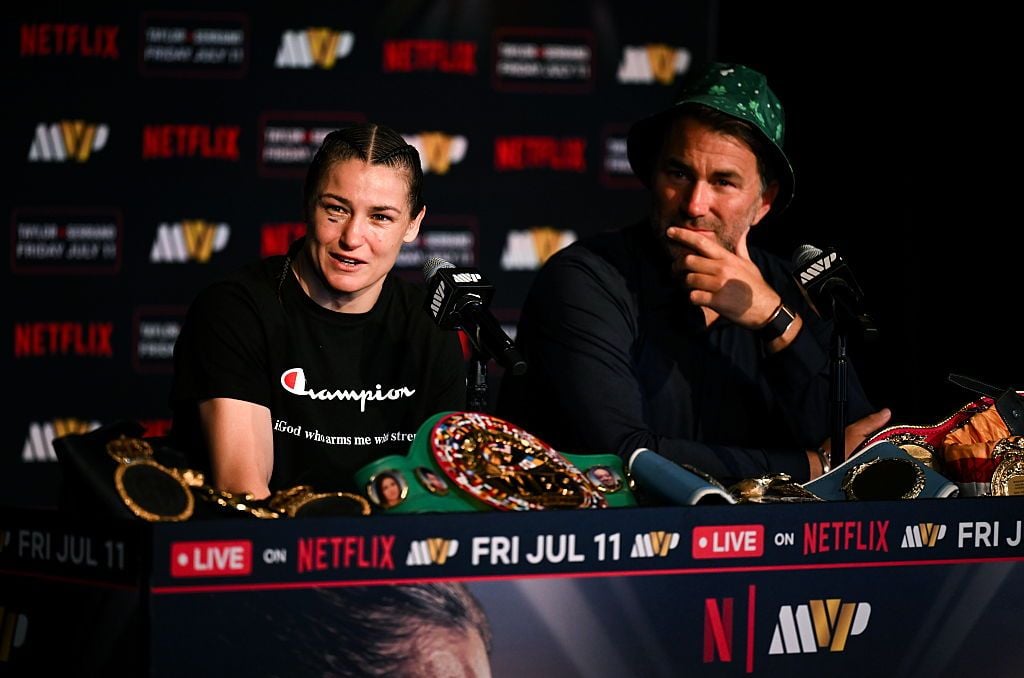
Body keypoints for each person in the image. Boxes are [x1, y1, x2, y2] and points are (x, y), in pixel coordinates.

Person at [498, 62, 890, 485]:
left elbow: (865, 451)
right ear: (654, 175)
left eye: (724, 182)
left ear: (763, 202)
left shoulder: (792, 291)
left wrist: (775, 321)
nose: (694, 205)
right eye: (679, 173)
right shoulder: (587, 280)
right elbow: (620, 458)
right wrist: (812, 466)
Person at [169, 123, 466, 498]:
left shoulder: (428, 327)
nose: (352, 238)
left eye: (380, 217)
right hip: (273, 532)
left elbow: (440, 496)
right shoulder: (236, 310)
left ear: (413, 225)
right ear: (308, 203)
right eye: (336, 210)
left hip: (389, 536)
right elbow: (244, 491)